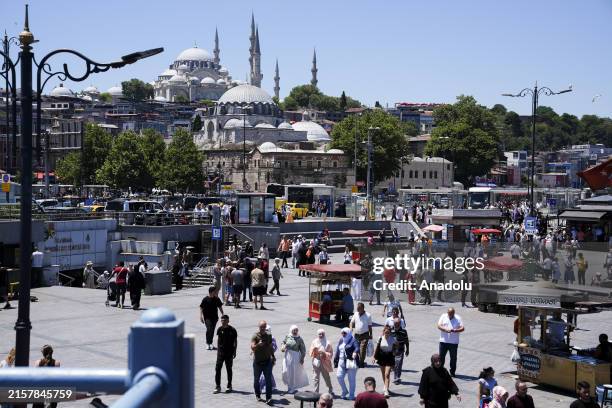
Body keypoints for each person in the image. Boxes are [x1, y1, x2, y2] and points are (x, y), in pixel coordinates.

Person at [251, 320, 276, 405]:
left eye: (264, 327)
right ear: (259, 327)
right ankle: (258, 394)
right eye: (261, 327)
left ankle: (269, 398)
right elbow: (252, 347)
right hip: (257, 362)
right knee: (256, 380)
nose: (263, 328)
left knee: (268, 381)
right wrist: (258, 345)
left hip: (267, 362)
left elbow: (270, 346)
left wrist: (273, 356)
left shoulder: (268, 335)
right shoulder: (255, 335)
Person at [281, 325, 309, 393]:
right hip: (287, 356)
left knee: (293, 373)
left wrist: (302, 358)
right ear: (291, 330)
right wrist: (283, 347)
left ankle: (292, 387)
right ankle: (289, 386)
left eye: (296, 330)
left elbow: (303, 350)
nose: (295, 331)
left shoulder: (299, 339)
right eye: (294, 330)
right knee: (286, 371)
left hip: (295, 357)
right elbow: (283, 342)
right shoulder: (288, 336)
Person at [437, 307, 464, 377]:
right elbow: (439, 325)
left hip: (453, 343)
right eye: (449, 314)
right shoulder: (443, 316)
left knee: (453, 358)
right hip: (443, 341)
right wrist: (445, 329)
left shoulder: (458, 318)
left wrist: (455, 330)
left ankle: (452, 372)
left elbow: (462, 328)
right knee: (441, 357)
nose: (450, 315)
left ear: (454, 313)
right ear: (447, 313)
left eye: (452, 314)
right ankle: (440, 371)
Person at [214, 314, 237, 394]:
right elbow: (218, 339)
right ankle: (217, 386)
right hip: (220, 353)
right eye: (222, 321)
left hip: (229, 353)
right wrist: (218, 350)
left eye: (224, 321)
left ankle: (229, 385)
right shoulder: (219, 329)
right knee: (217, 369)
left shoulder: (232, 330)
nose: (222, 322)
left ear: (228, 321)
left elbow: (235, 341)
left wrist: (235, 351)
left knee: (229, 369)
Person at [334, 327, 360, 400]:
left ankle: (351, 395)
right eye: (342, 333)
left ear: (348, 333)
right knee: (339, 376)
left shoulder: (353, 340)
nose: (343, 334)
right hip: (341, 362)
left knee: (351, 380)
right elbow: (338, 350)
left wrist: (355, 352)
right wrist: (335, 359)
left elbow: (357, 347)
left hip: (350, 362)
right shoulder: (341, 340)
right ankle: (345, 391)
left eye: (344, 333)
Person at [372, 325, 396, 398]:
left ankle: (386, 390)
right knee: (383, 374)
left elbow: (396, 346)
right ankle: (386, 386)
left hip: (389, 357)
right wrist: (374, 357)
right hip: (382, 357)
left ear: (390, 333)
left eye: (388, 333)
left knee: (387, 374)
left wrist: (395, 352)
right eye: (385, 332)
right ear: (383, 332)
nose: (387, 334)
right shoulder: (380, 338)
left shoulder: (392, 339)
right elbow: (377, 348)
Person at [310, 329, 334, 395]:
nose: (321, 335)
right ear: (317, 334)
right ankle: (316, 392)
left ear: (324, 334)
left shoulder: (328, 343)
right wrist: (314, 351)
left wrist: (324, 353)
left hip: (324, 362)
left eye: (322, 334)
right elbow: (310, 351)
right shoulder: (314, 342)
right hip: (316, 362)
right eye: (319, 334)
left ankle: (330, 388)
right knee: (315, 377)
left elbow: (331, 353)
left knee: (326, 377)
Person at [350, 302, 373, 368]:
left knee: (362, 349)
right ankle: (359, 361)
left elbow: (370, 326)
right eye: (357, 309)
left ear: (362, 308)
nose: (358, 310)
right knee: (357, 349)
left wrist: (370, 334)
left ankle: (361, 363)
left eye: (359, 309)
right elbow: (351, 322)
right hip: (356, 335)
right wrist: (351, 327)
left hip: (365, 335)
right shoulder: (356, 314)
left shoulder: (368, 315)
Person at [390, 317, 409, 385]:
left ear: (400, 323)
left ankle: (397, 378)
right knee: (393, 365)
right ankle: (396, 376)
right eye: (395, 323)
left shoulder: (404, 331)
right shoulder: (390, 330)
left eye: (397, 323)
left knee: (398, 365)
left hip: (400, 350)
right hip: (391, 351)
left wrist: (407, 350)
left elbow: (406, 341)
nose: (396, 324)